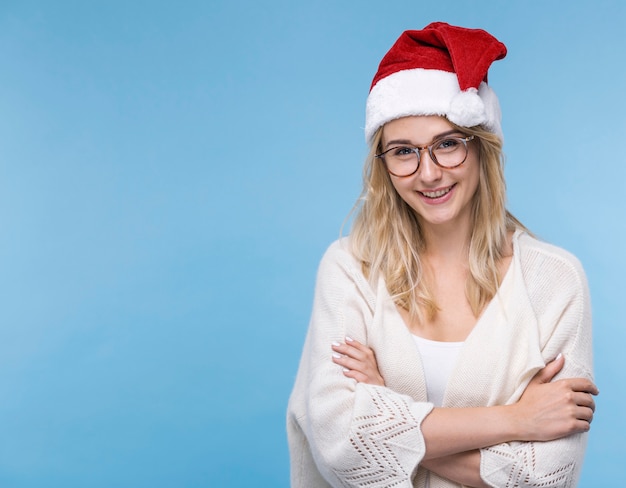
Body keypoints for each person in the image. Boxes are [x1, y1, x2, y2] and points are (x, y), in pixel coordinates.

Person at [287, 22, 597, 488]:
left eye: (448, 144)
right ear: (384, 165)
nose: (428, 173)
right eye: (403, 151)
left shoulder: (554, 281)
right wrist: (516, 420)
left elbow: (544, 477)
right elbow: (337, 442)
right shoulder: (350, 268)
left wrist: (384, 408)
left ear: (481, 148)